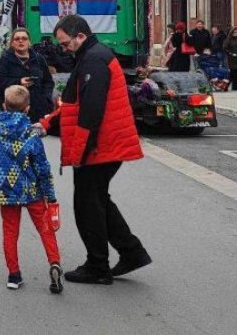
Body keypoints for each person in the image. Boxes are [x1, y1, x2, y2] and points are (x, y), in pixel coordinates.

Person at [41, 15, 150, 285]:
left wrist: (79, 153)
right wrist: (46, 122)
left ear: (79, 35)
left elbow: (91, 112)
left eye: (66, 43)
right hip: (105, 144)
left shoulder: (93, 60)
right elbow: (74, 104)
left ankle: (97, 265)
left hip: (101, 146)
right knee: (98, 201)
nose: (64, 48)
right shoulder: (93, 56)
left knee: (87, 206)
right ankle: (131, 251)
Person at [0, 85, 63, 294]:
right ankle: (54, 262)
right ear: (27, 109)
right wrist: (50, 195)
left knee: (10, 231)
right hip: (31, 189)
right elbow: (42, 166)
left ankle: (14, 274)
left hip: (5, 190)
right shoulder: (31, 132)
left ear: (4, 105)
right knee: (44, 228)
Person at [0, 28, 54, 121]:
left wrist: (46, 99)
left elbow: (48, 82)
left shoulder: (38, 59)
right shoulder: (4, 60)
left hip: (37, 112)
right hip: (12, 112)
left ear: (29, 42)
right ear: (12, 43)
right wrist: (19, 82)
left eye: (24, 38)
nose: (21, 41)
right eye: (17, 39)